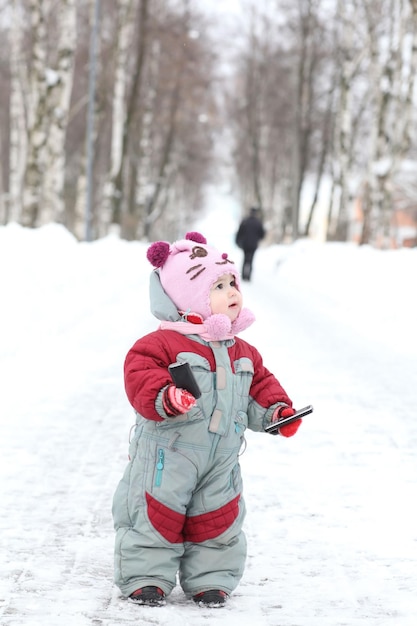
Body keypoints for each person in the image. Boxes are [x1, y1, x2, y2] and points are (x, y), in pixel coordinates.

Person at [112, 231, 302, 609]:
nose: (232, 290)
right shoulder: (160, 344)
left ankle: (211, 579)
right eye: (219, 285)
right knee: (155, 515)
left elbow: (259, 387)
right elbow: (139, 376)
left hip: (222, 458)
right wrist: (166, 395)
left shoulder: (242, 351)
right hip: (169, 454)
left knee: (219, 519)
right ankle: (146, 576)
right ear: (188, 297)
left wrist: (276, 412)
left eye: (232, 281)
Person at [235, 207, 265, 280]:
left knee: (245, 259)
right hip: (253, 245)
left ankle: (243, 276)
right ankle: (248, 277)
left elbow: (239, 233)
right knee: (251, 260)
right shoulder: (258, 223)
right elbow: (262, 234)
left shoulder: (245, 221)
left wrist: (238, 242)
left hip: (245, 245)